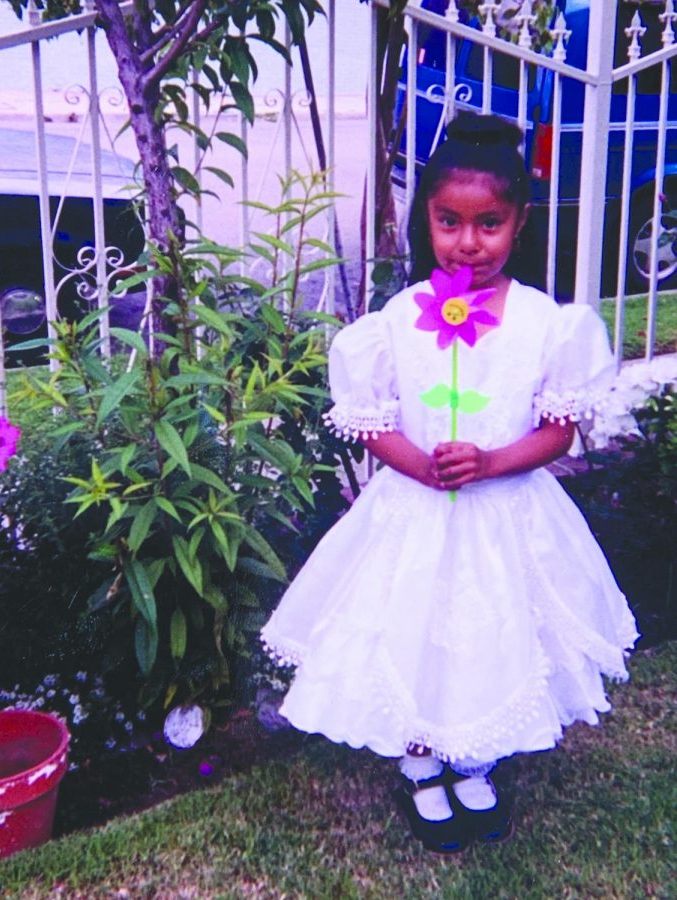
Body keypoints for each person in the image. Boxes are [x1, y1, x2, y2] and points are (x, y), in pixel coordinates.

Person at [261, 111, 638, 853]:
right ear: (424, 221)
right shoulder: (398, 320)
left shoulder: (545, 326)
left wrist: (491, 461)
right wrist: (423, 463)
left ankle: (473, 757)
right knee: (413, 626)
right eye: (448, 222)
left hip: (507, 513)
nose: (468, 242)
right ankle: (419, 757)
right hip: (414, 508)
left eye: (489, 224)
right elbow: (371, 422)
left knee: (485, 628)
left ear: (519, 223)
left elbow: (556, 430)